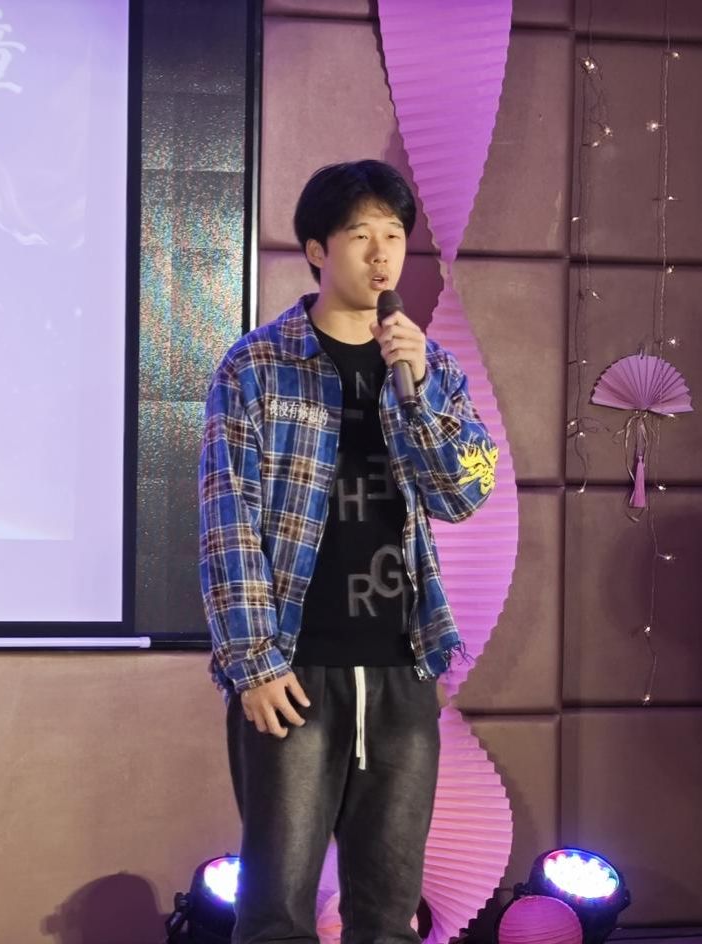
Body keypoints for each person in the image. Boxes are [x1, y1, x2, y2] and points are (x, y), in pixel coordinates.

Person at [198, 160, 498, 944]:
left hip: (403, 666)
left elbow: (462, 492)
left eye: (393, 235)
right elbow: (228, 522)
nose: (381, 253)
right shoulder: (257, 367)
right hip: (295, 669)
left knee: (389, 913)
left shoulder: (433, 369)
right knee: (276, 913)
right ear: (316, 250)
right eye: (360, 235)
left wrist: (418, 385)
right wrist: (253, 663)